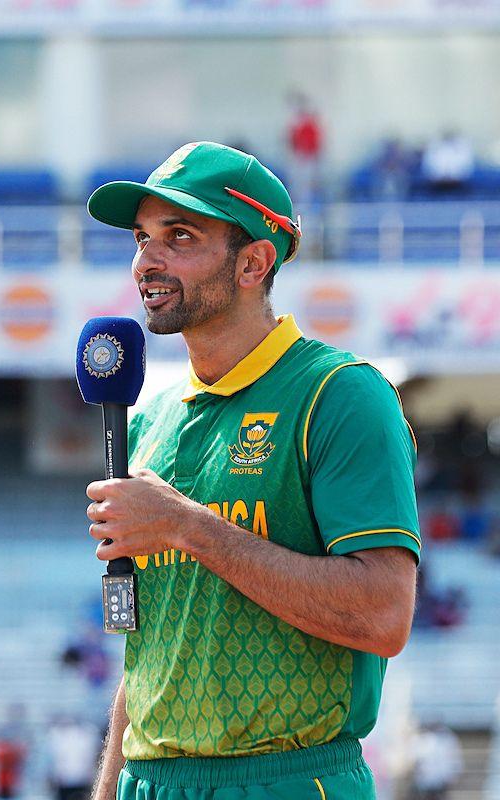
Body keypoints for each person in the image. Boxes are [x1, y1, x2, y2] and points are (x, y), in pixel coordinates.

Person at [84, 141, 420, 800]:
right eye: (142, 236)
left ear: (253, 262)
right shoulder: (148, 421)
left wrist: (190, 529)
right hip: (149, 783)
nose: (146, 260)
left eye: (179, 236)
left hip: (291, 781)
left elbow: (385, 615)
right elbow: (152, 657)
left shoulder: (340, 395)